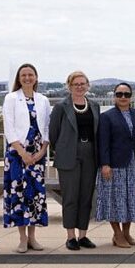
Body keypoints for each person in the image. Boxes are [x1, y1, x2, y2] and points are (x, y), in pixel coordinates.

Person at [48, 70, 100, 251]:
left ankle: (83, 235)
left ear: (87, 86)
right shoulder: (61, 107)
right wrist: (63, 150)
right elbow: (53, 134)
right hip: (68, 155)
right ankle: (70, 236)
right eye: (75, 84)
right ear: (69, 86)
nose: (79, 87)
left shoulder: (94, 105)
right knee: (70, 197)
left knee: (86, 196)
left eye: (82, 84)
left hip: (90, 154)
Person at [2, 63, 51, 253]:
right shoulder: (11, 98)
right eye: (24, 75)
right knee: (19, 195)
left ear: (36, 77)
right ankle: (22, 238)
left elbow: (47, 127)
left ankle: (32, 237)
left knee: (35, 195)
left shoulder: (43, 100)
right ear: (18, 78)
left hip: (37, 155)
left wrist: (41, 151)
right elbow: (9, 128)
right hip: (17, 155)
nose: (27, 78)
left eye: (31, 74)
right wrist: (22, 153)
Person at [96, 82, 135, 248]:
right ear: (114, 96)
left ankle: (126, 233)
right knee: (115, 200)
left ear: (131, 97)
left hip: (134, 164)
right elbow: (103, 143)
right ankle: (117, 234)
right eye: (119, 94)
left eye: (126, 94)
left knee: (130, 199)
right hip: (114, 165)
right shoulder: (107, 116)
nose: (123, 97)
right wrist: (105, 164)